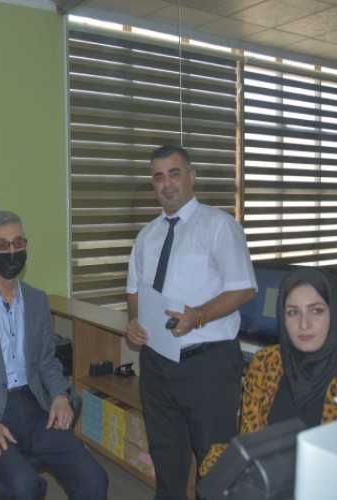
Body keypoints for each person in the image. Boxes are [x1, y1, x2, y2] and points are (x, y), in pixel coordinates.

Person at [0, 211, 109, 500]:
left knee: (93, 477)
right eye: (2, 245)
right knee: (23, 485)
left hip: (34, 406)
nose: (12, 251)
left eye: (18, 243)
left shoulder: (37, 300)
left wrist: (60, 395)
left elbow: (47, 362)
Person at [125, 144, 256, 499]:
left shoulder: (218, 225)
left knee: (214, 464)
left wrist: (198, 316)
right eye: (158, 177)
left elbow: (244, 287)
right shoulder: (146, 236)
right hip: (156, 363)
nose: (166, 184)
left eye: (174, 173)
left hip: (207, 365)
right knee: (166, 459)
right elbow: (134, 290)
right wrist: (134, 320)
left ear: (191, 176)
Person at [199, 267, 337, 476]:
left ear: (335, 312)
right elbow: (250, 444)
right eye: (293, 312)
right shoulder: (264, 364)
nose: (304, 324)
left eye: (316, 310)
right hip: (268, 484)